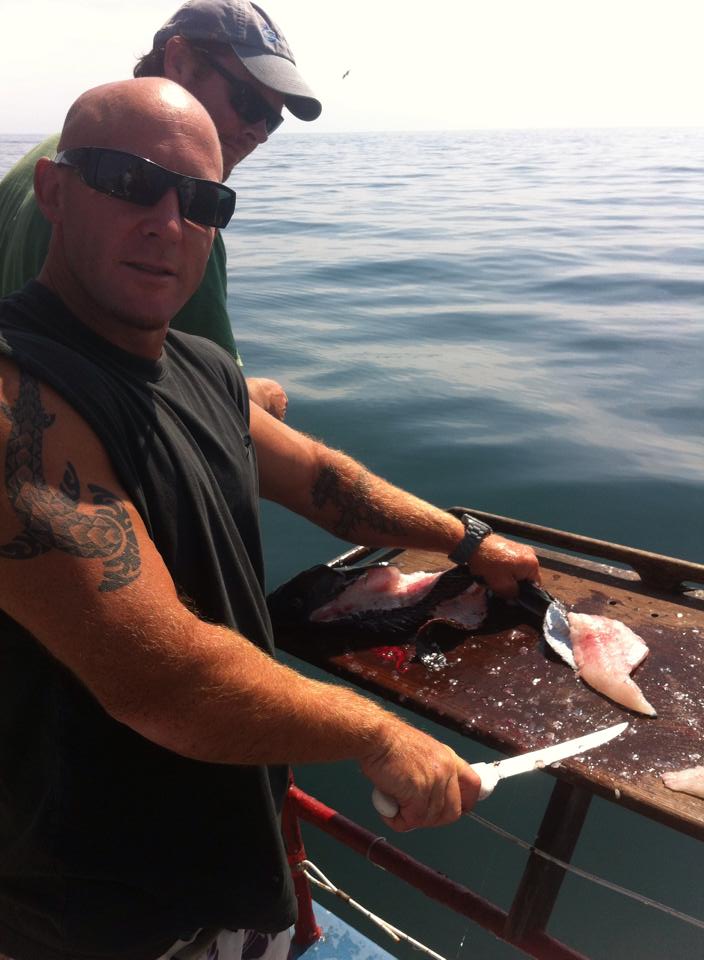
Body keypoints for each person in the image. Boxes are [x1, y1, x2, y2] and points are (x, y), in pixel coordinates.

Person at [0, 78, 540, 960]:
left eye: (204, 201)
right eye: (129, 183)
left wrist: (469, 540)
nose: (168, 223)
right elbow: (159, 676)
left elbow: (325, 482)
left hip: (233, 864)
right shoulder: (17, 398)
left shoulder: (198, 367)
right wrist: (375, 730)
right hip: (101, 913)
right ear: (55, 192)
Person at [0, 0, 321, 420]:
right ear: (180, 61)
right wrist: (257, 394)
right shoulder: (183, 224)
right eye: (247, 102)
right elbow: (211, 409)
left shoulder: (37, 165)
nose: (257, 134)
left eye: (271, 121)